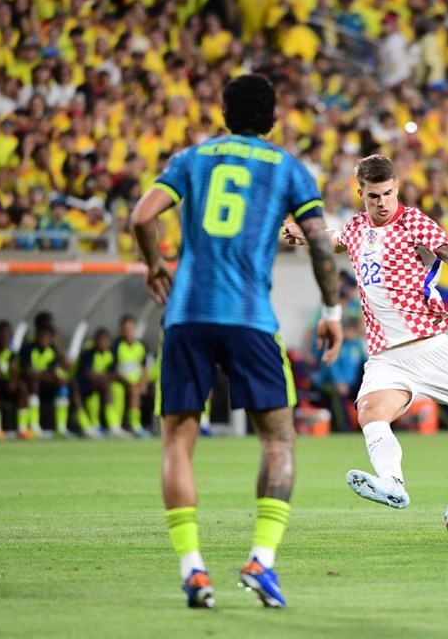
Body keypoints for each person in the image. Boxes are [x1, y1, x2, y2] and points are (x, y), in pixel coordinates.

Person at [131, 73, 342, 610]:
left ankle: (193, 570)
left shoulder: (191, 159)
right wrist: (332, 311)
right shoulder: (288, 168)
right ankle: (261, 561)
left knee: (177, 443)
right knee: (279, 440)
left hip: (187, 315)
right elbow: (320, 244)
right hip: (250, 318)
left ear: (224, 114)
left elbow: (142, 216)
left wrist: (155, 263)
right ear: (273, 118)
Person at [283, 153, 448, 509]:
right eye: (373, 196)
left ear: (397, 187)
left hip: (429, 347)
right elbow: (335, 238)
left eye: (388, 193)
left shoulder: (414, 222)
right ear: (361, 193)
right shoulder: (357, 228)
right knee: (370, 413)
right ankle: (392, 483)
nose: (382, 202)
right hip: (386, 357)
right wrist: (304, 233)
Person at [112, 315, 150, 437]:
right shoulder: (116, 346)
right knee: (117, 391)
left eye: (130, 329)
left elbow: (145, 367)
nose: (128, 332)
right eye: (125, 329)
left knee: (140, 390)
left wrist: (143, 382)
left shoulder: (142, 345)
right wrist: (127, 382)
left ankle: (137, 425)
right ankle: (116, 425)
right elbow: (114, 369)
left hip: (137, 381)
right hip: (121, 381)